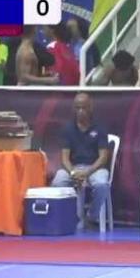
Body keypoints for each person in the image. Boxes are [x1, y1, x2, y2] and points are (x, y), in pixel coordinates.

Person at [51, 92, 112, 227]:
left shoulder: (99, 128)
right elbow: (64, 158)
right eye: (78, 108)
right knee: (57, 182)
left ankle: (91, 216)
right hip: (73, 168)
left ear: (90, 108)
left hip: (95, 168)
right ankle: (70, 216)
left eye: (84, 108)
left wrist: (87, 172)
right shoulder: (68, 129)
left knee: (102, 185)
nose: (81, 111)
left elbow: (103, 157)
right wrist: (73, 173)